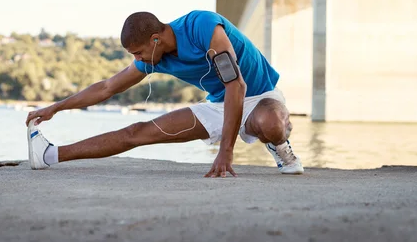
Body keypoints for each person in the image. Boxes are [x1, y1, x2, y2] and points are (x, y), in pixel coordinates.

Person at [25, 10, 303, 177]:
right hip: (220, 104)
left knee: (270, 123)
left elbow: (237, 85)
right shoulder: (153, 58)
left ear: (155, 40)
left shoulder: (202, 27)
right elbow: (107, 87)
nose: (138, 58)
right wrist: (56, 107)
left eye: (138, 52)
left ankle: (279, 146)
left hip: (259, 96)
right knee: (137, 131)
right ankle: (50, 155)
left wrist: (225, 152)